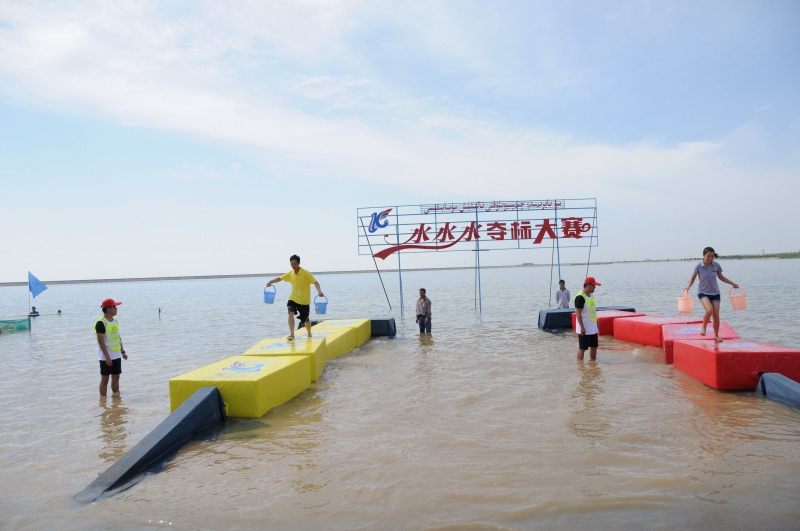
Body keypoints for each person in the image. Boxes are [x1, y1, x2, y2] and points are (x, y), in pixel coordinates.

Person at [685, 246, 739, 342]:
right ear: (703, 255)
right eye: (708, 256)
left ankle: (716, 335)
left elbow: (721, 277)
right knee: (709, 310)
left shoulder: (716, 265)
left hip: (715, 293)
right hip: (703, 292)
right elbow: (692, 278)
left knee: (716, 315)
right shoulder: (698, 266)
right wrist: (688, 287)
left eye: (712, 256)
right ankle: (704, 328)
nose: (710, 258)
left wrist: (732, 283)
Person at [266, 255, 324, 340]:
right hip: (293, 298)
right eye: (292, 264)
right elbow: (280, 278)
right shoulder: (290, 273)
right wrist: (271, 281)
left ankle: (309, 333)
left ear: (299, 263)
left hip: (304, 300)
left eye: (295, 264)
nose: (293, 266)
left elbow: (315, 282)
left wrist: (319, 291)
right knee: (290, 313)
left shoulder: (305, 272)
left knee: (306, 320)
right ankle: (292, 334)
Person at [96, 298, 127, 397]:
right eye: (114, 307)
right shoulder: (101, 323)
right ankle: (103, 400)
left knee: (116, 378)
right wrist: (107, 357)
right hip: (106, 357)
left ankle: (116, 398)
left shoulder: (115, 321)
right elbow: (101, 341)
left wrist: (122, 351)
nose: (116, 309)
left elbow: (118, 336)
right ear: (108, 309)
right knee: (105, 379)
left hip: (116, 354)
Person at [574, 277, 601, 361]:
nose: (595, 287)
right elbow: (578, 313)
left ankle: (593, 363)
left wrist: (596, 323)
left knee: (594, 346)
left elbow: (592, 311)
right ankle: (580, 365)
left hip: (592, 326)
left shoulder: (591, 296)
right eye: (593, 285)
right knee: (582, 347)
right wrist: (582, 327)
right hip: (584, 326)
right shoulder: (580, 297)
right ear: (587, 285)